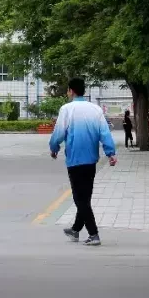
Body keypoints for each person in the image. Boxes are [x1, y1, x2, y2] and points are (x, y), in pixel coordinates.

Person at [49, 78, 118, 247]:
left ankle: (94, 234)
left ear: (71, 91)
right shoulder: (95, 110)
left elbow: (58, 133)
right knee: (85, 196)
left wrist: (54, 147)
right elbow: (105, 133)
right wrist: (111, 153)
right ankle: (75, 229)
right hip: (91, 160)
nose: (67, 93)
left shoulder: (67, 109)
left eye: (67, 90)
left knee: (80, 199)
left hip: (75, 160)